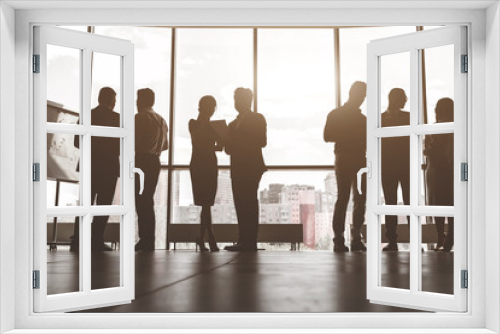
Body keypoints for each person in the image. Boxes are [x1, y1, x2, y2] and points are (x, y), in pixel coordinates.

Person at [71, 87, 120, 251]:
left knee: (85, 204)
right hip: (109, 168)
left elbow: (77, 142)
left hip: (89, 166)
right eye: (115, 100)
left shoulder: (87, 115)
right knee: (103, 205)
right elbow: (121, 145)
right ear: (112, 101)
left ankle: (78, 239)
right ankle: (97, 239)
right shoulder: (116, 118)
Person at [324, 81, 368, 253]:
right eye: (362, 95)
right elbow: (327, 136)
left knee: (344, 198)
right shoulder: (362, 119)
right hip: (357, 159)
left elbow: (327, 135)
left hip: (345, 158)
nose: (363, 98)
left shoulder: (336, 114)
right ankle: (355, 236)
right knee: (358, 198)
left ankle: (339, 238)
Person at [224, 88, 267, 252]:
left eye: (239, 99)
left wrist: (235, 139)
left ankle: (250, 241)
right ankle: (243, 240)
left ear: (248, 101)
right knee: (240, 203)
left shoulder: (257, 118)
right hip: (237, 167)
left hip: (251, 166)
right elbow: (228, 149)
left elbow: (262, 141)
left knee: (248, 202)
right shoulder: (232, 124)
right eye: (236, 100)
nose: (237, 103)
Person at [134, 88, 169, 251]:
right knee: (148, 199)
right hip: (155, 161)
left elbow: (134, 141)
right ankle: (150, 239)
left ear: (140, 101)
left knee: (141, 200)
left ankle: (145, 239)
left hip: (141, 160)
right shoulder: (161, 120)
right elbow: (166, 146)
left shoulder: (139, 118)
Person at [189, 95, 222, 252]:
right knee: (205, 203)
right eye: (209, 107)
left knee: (206, 203)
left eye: (212, 108)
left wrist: (221, 137)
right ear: (201, 108)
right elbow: (197, 137)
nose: (211, 111)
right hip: (200, 164)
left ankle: (201, 239)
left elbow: (220, 147)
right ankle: (211, 238)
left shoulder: (213, 126)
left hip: (208, 163)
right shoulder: (193, 123)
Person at [381, 88, 410, 251]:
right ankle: (394, 239)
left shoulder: (381, 119)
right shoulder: (409, 118)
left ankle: (392, 240)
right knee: (406, 203)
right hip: (403, 165)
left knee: (392, 203)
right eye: (404, 97)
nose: (406, 100)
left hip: (389, 165)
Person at [424, 98, 454, 252]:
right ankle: (450, 239)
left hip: (434, 171)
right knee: (451, 204)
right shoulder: (455, 128)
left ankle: (441, 238)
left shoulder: (432, 129)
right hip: (450, 171)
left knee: (437, 205)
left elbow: (427, 149)